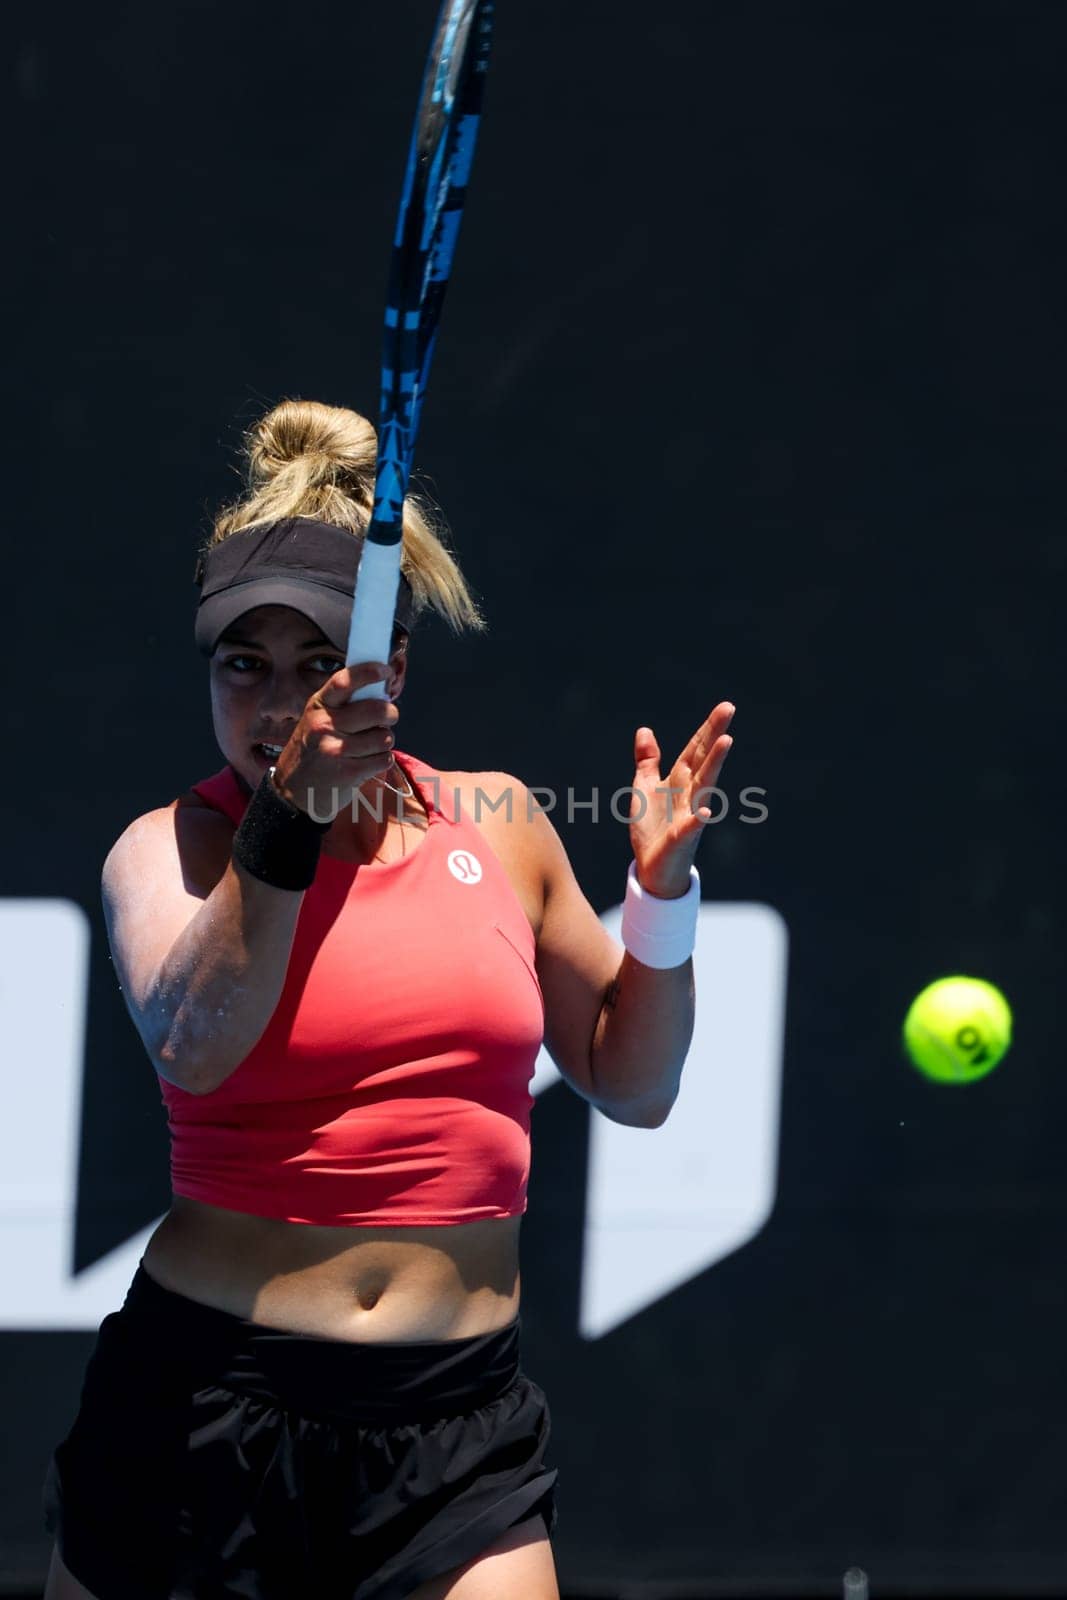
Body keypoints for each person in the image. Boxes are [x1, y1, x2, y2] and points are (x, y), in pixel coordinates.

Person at [41, 398, 736, 1600]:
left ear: (390, 673)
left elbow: (636, 1085)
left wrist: (657, 899)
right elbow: (195, 1044)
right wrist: (287, 819)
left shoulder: (503, 822)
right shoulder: (168, 848)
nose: (279, 704)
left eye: (318, 665)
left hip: (456, 1425)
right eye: (243, 664)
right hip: (203, 1407)